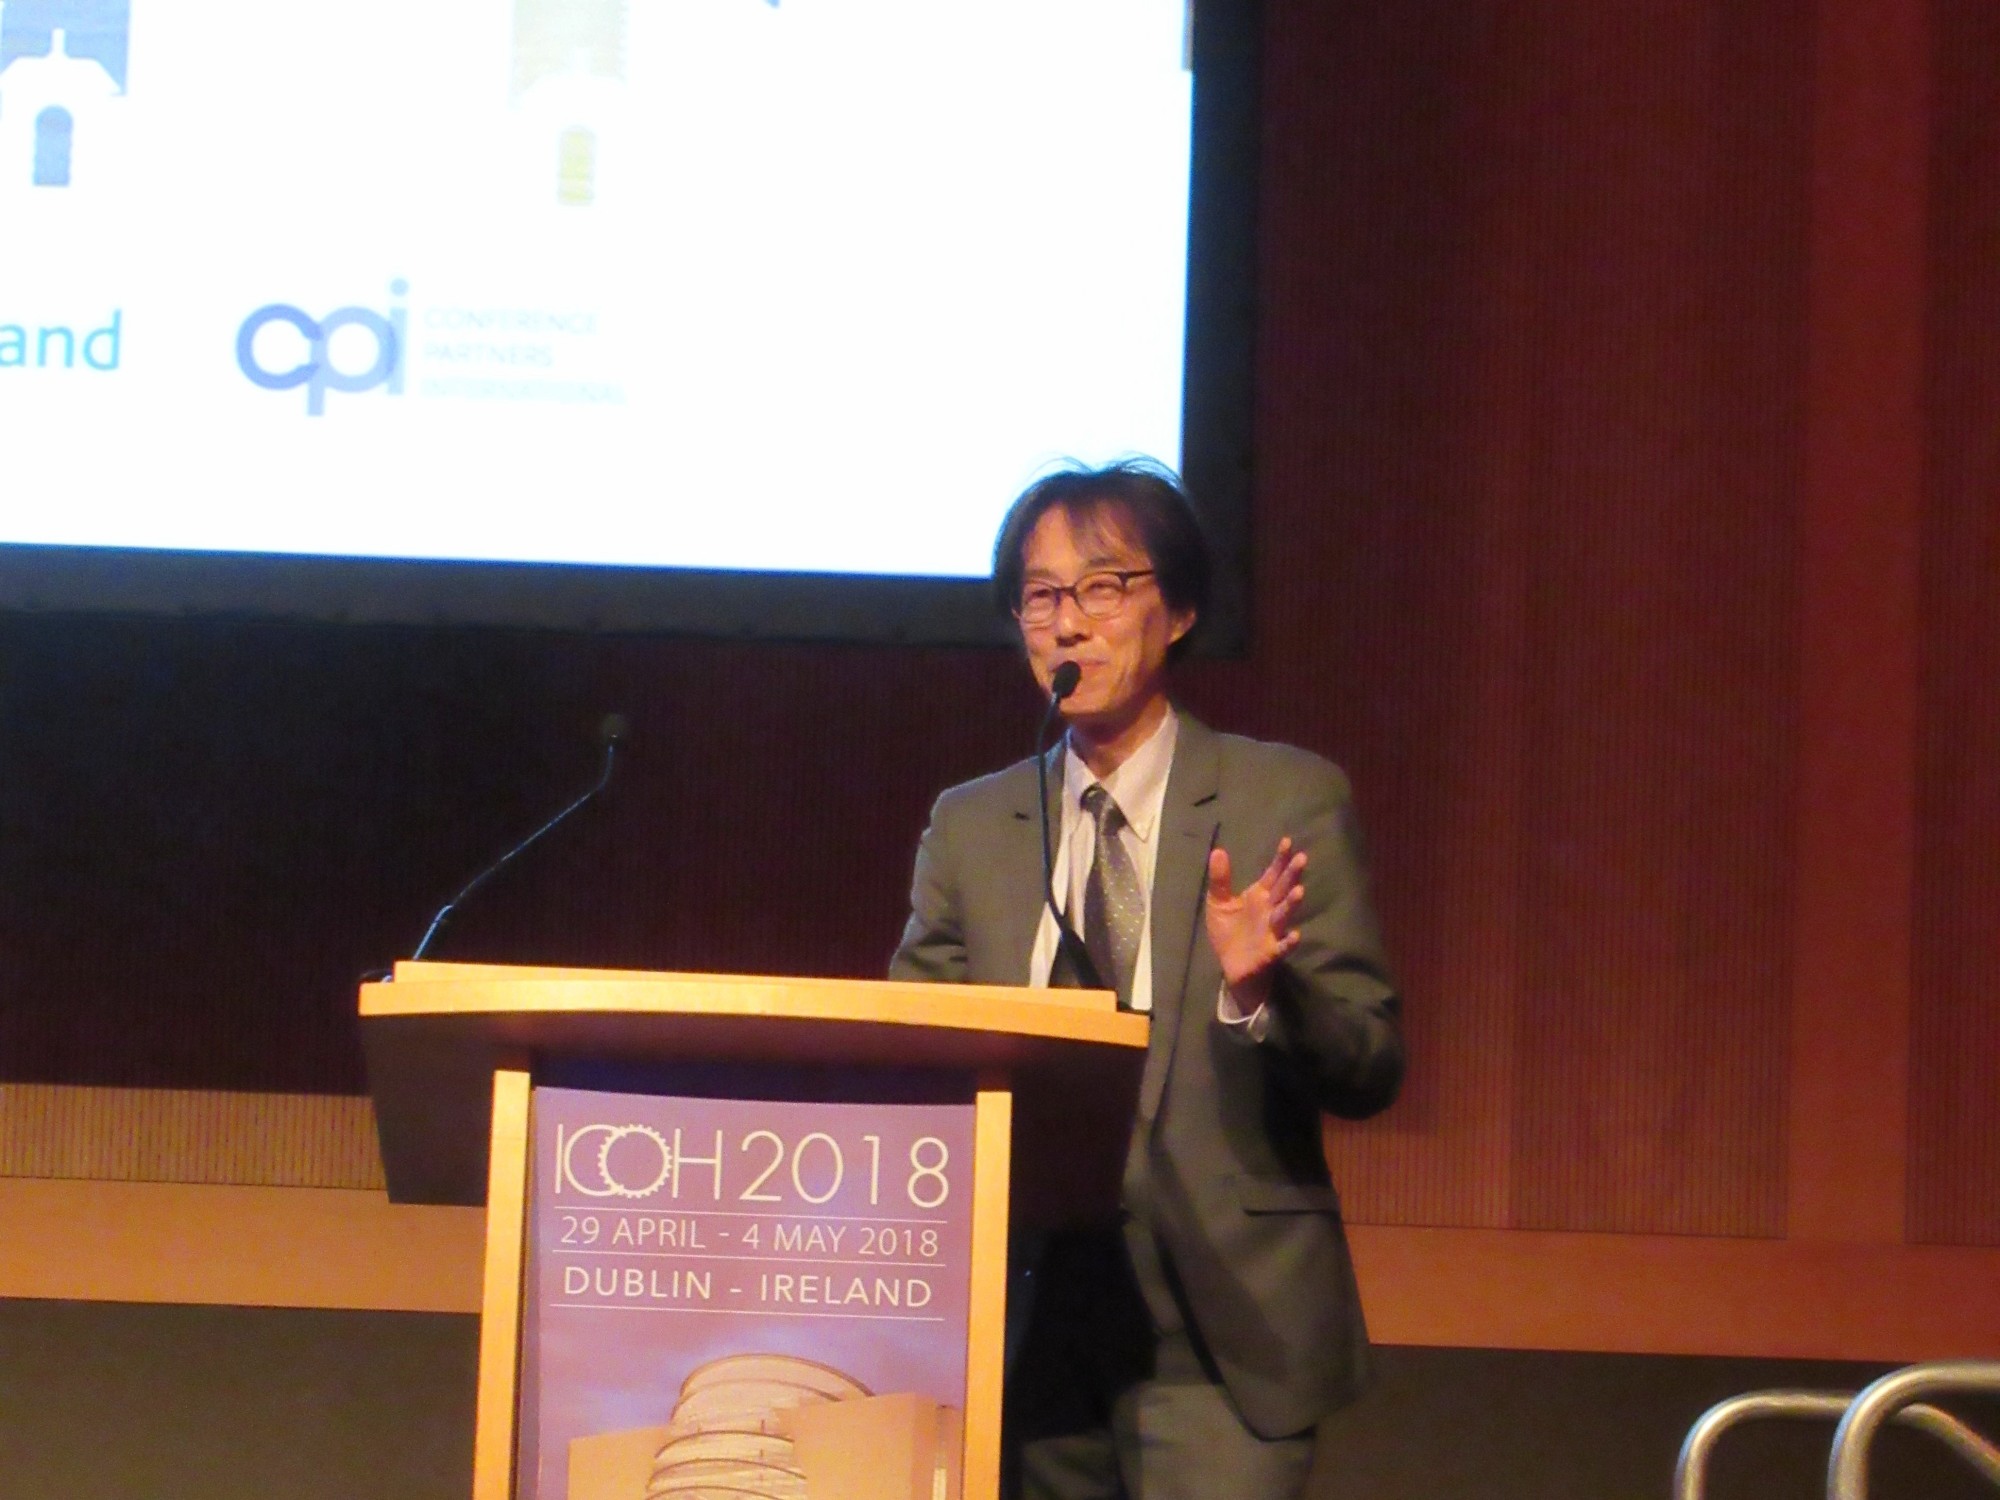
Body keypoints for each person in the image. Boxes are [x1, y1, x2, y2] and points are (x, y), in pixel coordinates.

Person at [889, 459, 1405, 1499]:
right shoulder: (974, 827)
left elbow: (1369, 1063)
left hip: (1221, 1331)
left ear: (1178, 610)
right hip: (1027, 1319)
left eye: (1103, 586)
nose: (1068, 624)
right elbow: (915, 1054)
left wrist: (1262, 994)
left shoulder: (1282, 797)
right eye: (1040, 596)